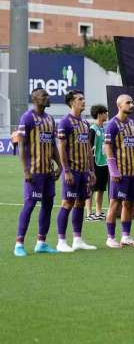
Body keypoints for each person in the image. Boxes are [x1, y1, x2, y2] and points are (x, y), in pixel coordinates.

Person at [14, 88, 61, 257]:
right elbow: (21, 146)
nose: (47, 98)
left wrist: (60, 166)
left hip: (48, 172)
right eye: (44, 96)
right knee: (30, 205)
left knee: (48, 206)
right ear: (35, 99)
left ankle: (41, 242)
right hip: (34, 172)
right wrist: (26, 170)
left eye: (47, 95)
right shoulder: (27, 117)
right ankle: (19, 243)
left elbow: (53, 145)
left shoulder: (50, 119)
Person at [56, 90, 97, 252]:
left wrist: (92, 170)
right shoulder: (65, 122)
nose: (83, 101)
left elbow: (88, 148)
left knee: (80, 203)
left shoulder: (85, 123)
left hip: (84, 171)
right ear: (72, 102)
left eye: (84, 99)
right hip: (72, 170)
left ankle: (78, 239)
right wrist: (66, 171)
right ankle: (61, 241)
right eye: (80, 99)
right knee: (67, 203)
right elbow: (62, 148)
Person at [104, 94, 134, 248]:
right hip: (119, 173)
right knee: (115, 204)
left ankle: (125, 237)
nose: (131, 105)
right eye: (128, 102)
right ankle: (110, 238)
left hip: (132, 172)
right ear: (119, 105)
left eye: (132, 102)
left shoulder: (133, 124)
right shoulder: (112, 125)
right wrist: (113, 170)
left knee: (129, 204)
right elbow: (107, 147)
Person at [85, 104, 108, 221]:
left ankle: (98, 212)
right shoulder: (93, 129)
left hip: (104, 163)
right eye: (105, 112)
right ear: (99, 114)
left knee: (101, 189)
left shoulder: (103, 129)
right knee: (91, 188)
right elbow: (88, 148)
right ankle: (89, 213)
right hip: (95, 163)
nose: (106, 114)